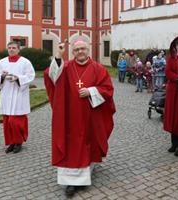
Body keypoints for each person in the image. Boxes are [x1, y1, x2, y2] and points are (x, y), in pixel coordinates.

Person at [44, 39, 115, 197]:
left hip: (91, 115)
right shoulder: (66, 66)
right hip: (69, 116)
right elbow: (52, 76)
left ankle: (86, 172)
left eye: (83, 48)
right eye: (76, 50)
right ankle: (71, 182)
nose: (80, 52)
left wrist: (91, 91)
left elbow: (108, 89)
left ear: (88, 49)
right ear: (73, 52)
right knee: (71, 145)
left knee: (88, 143)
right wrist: (58, 55)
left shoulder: (98, 68)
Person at [0, 41, 35, 154]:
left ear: (18, 49)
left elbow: (31, 75)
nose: (11, 50)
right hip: (6, 93)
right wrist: (2, 76)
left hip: (19, 94)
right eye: (9, 48)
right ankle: (11, 142)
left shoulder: (25, 62)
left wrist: (17, 78)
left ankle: (18, 142)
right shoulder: (2, 62)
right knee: (7, 120)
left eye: (14, 48)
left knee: (16, 120)